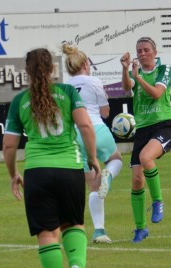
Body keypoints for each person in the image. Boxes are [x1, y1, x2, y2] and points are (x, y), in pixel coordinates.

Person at [2, 48, 100, 268]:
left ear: (27, 71)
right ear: (52, 69)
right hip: (70, 169)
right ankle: (77, 266)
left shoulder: (19, 102)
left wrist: (14, 174)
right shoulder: (67, 93)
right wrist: (92, 158)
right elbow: (86, 126)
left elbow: (9, 146)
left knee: (47, 234)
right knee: (73, 224)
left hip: (37, 172)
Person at [61, 43, 123, 244]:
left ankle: (99, 232)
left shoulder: (65, 87)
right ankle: (109, 174)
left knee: (93, 186)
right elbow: (105, 112)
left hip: (77, 135)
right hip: (97, 129)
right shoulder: (94, 81)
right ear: (86, 64)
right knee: (116, 160)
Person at [120, 37, 171, 243]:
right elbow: (127, 86)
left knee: (146, 157)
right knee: (136, 181)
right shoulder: (135, 71)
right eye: (139, 51)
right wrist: (126, 69)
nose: (142, 54)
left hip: (164, 126)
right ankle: (140, 229)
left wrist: (139, 78)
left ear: (155, 52)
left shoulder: (164, 69)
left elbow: (156, 94)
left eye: (146, 50)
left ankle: (158, 201)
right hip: (143, 130)